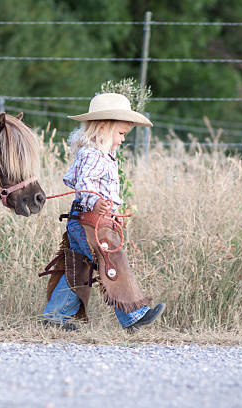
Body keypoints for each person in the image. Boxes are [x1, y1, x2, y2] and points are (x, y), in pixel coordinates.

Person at [43, 93, 165, 331]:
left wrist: (113, 212)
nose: (121, 141)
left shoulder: (103, 155)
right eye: (120, 134)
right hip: (88, 221)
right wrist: (94, 202)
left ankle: (55, 316)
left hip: (89, 221)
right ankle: (133, 316)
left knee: (80, 267)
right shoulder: (91, 155)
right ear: (102, 128)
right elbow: (84, 183)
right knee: (112, 259)